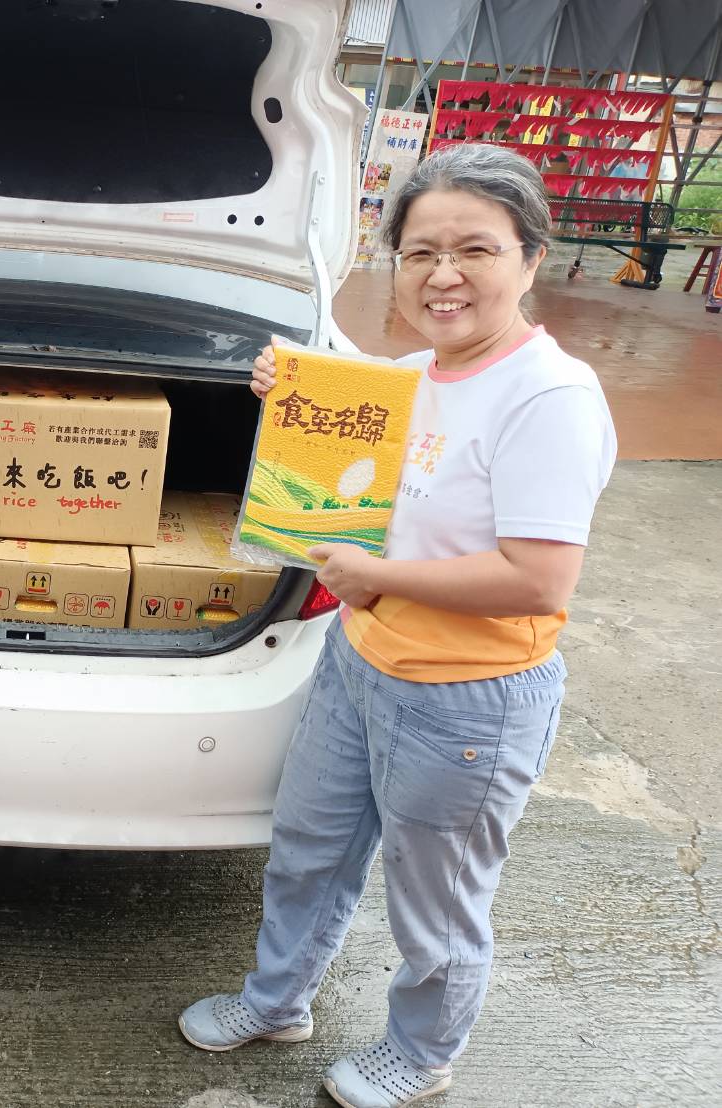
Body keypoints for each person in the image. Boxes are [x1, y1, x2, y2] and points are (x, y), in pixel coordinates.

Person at [179, 143, 616, 1108]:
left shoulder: (549, 397)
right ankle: (278, 998)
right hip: (361, 660)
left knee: (436, 903)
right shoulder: (411, 374)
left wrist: (373, 574)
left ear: (530, 256)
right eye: (418, 253)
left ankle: (421, 1055)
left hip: (466, 699)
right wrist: (288, 391)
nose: (442, 275)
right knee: (308, 848)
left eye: (474, 249)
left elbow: (538, 580)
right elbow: (357, 439)